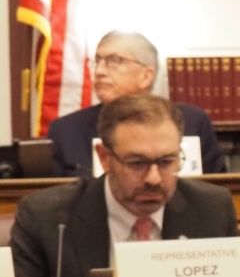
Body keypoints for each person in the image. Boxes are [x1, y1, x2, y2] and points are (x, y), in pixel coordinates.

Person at [12, 95, 239, 277]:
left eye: (166, 161)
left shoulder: (212, 208)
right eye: (137, 163)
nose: (153, 178)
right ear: (104, 157)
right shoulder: (48, 218)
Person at [48, 31, 224, 177]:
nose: (99, 71)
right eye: (97, 61)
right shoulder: (65, 130)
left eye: (114, 61)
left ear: (146, 76)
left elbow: (219, 189)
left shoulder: (191, 122)